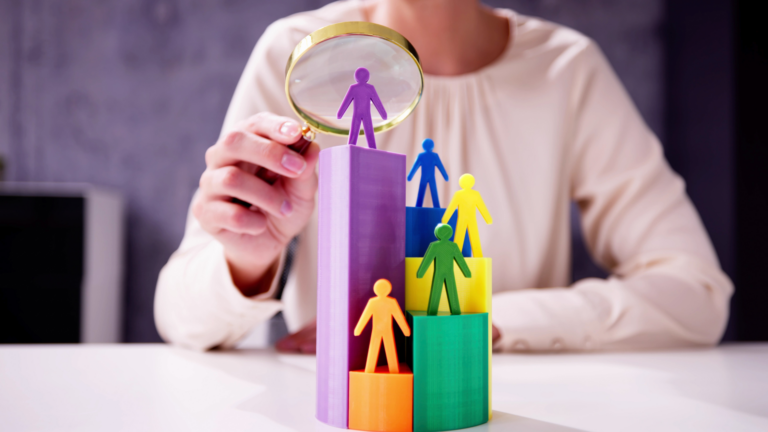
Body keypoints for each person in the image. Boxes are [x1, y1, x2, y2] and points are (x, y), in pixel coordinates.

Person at [154, 0, 733, 353]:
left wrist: (486, 325)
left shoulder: (567, 69)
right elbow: (182, 321)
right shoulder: (295, 52)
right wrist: (248, 259)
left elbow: (697, 294)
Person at [354, 279, 411, 373]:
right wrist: (358, 329)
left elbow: (398, 317)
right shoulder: (377, 302)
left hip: (384, 330)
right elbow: (365, 316)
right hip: (378, 330)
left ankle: (391, 370)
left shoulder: (388, 302)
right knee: (379, 349)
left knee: (387, 349)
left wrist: (405, 330)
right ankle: (374, 369)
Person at [417, 224, 472, 315]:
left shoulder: (436, 246)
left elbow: (428, 260)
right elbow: (460, 260)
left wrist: (421, 273)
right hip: (446, 272)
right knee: (449, 290)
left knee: (438, 290)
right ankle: (453, 311)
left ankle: (433, 312)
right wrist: (467, 272)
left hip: (441, 272)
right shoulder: (451, 246)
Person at [441, 173, 493, 257]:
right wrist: (488, 218)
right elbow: (482, 207)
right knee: (473, 236)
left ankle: (456, 255)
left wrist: (445, 219)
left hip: (463, 219)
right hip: (470, 219)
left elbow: (451, 207)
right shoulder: (474, 194)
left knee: (460, 236)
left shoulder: (459, 194)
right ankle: (478, 256)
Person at [337, 67, 388, 149]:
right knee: (369, 133)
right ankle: (372, 149)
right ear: (367, 77)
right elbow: (377, 103)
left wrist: (340, 114)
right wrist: (383, 114)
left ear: (356, 77)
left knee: (354, 133)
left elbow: (345, 102)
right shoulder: (369, 88)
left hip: (357, 114)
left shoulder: (354, 88)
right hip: (366, 114)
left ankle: (351, 149)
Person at [408, 138, 449, 207]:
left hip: (424, 177)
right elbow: (440, 166)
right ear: (432, 146)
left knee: (422, 191)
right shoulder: (434, 156)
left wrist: (410, 176)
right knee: (433, 191)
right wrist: (445, 176)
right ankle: (436, 206)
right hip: (431, 177)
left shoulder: (421, 155)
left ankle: (419, 206)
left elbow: (415, 167)